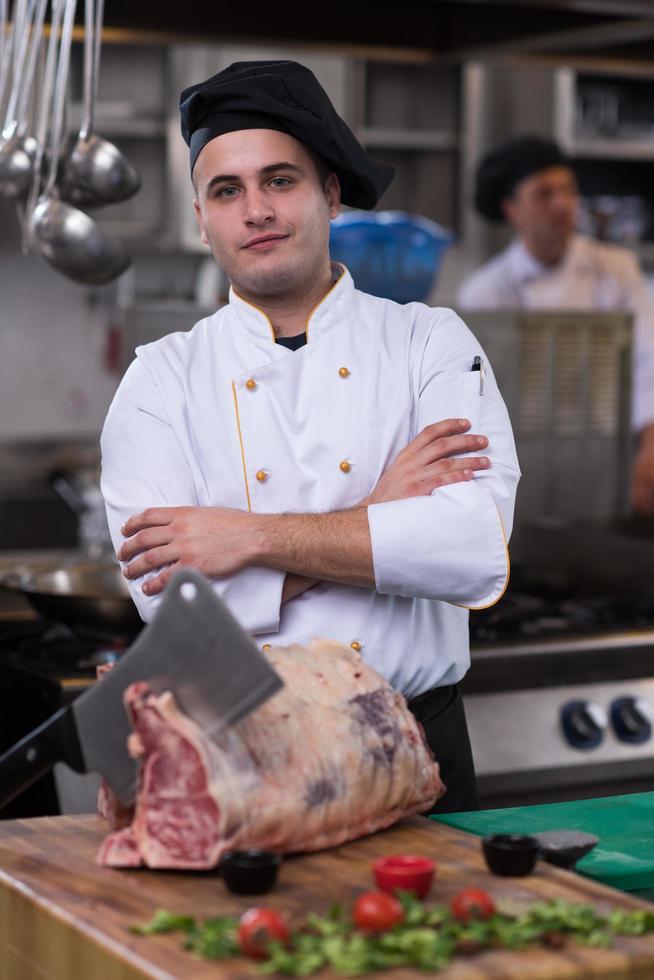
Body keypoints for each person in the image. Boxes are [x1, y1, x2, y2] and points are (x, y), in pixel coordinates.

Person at [101, 60, 520, 814]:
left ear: (330, 193)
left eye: (280, 180)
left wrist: (248, 539)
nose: (254, 209)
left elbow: (471, 549)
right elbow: (167, 605)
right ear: (202, 217)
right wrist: (382, 520)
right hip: (245, 751)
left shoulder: (431, 341)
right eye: (226, 191)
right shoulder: (158, 379)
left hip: (422, 741)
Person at [458, 134, 654, 516]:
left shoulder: (616, 267)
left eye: (569, 190)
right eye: (544, 194)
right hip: (518, 457)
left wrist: (650, 447)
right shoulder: (485, 293)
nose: (563, 205)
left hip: (609, 449)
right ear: (512, 209)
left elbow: (648, 357)